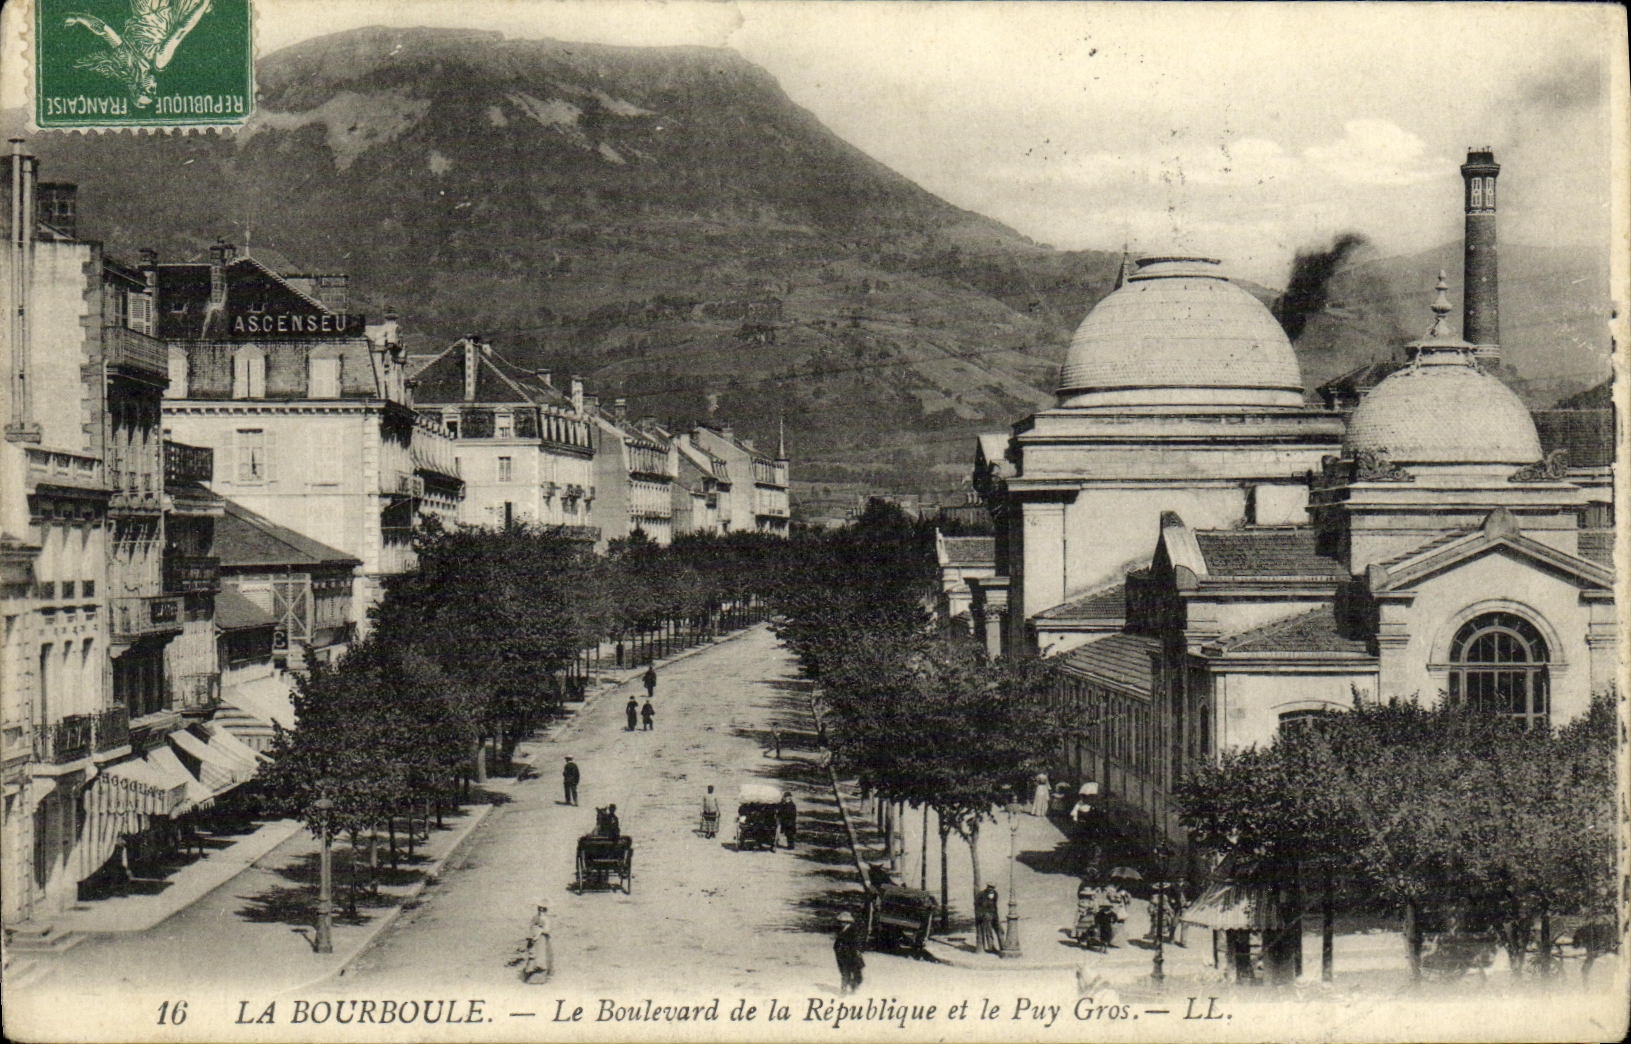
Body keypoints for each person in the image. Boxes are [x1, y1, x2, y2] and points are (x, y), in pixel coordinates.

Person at [833, 911, 865, 994]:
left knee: (853, 974)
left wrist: (856, 952)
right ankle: (846, 989)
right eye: (840, 922)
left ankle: (850, 988)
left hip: (851, 956)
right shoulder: (842, 930)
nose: (841, 924)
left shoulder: (852, 931)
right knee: (845, 973)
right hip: (843, 956)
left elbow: (856, 943)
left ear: (848, 922)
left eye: (843, 922)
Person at [520, 900, 552, 983]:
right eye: (539, 908)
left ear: (546, 910)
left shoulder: (546, 919)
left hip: (542, 940)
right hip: (534, 939)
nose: (541, 911)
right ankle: (530, 972)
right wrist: (533, 933)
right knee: (532, 954)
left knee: (540, 955)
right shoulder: (535, 917)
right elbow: (531, 926)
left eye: (543, 909)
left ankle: (540, 974)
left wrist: (540, 931)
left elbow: (547, 930)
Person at [976, 883, 1002, 954]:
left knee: (1000, 930)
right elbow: (977, 906)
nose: (992, 889)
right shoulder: (981, 894)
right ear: (987, 887)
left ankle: (1002, 947)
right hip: (987, 916)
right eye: (990, 887)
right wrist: (983, 914)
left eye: (993, 888)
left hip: (994, 915)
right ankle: (991, 948)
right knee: (989, 932)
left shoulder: (995, 894)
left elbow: (995, 904)